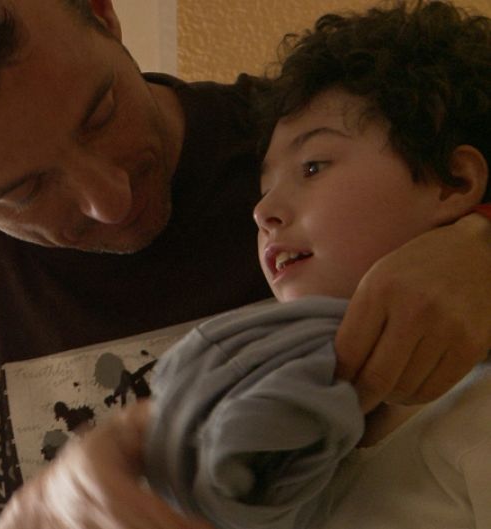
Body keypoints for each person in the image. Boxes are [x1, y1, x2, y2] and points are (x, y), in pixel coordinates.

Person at [0, 1, 491, 528]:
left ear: (105, 16)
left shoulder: (294, 136)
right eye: (22, 190)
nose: (109, 200)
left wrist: (481, 245)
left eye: (100, 114)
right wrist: (43, 507)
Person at [144, 2, 491, 528]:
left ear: (455, 183)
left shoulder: (477, 418)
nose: (263, 211)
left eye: (313, 166)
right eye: (264, 188)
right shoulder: (297, 445)